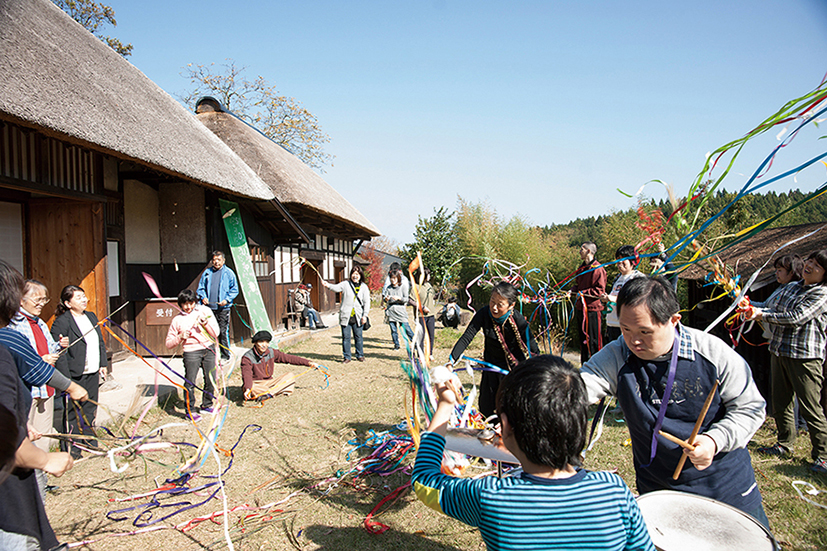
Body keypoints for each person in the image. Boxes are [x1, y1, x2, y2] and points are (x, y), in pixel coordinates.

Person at [411, 355, 655, 551]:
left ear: (504, 427)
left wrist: (445, 405)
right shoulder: (614, 491)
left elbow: (424, 480)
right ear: (579, 422)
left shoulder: (490, 497)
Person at [581, 276, 769, 526]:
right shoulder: (618, 355)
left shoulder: (713, 353)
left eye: (645, 332)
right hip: (658, 489)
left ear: (674, 321)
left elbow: (750, 408)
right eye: (625, 329)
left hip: (723, 488)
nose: (633, 341)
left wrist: (715, 440)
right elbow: (579, 386)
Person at [0, 260, 75, 550]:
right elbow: (6, 443)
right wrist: (46, 460)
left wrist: (18, 422)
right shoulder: (5, 347)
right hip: (8, 511)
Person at [747, 250, 827, 474]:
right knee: (781, 402)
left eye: (817, 266)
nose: (810, 266)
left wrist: (760, 315)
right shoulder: (791, 287)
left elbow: (795, 317)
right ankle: (784, 444)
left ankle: (822, 455)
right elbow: (769, 307)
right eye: (810, 261)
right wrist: (747, 305)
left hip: (804, 356)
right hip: (779, 351)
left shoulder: (822, 294)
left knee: (811, 407)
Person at [8, 280, 69, 495]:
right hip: (28, 390)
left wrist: (57, 347)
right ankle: (27, 486)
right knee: (25, 438)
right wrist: (39, 359)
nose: (42, 303)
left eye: (45, 299)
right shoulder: (12, 325)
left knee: (43, 438)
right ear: (20, 299)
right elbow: (15, 358)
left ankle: (41, 482)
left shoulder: (41, 323)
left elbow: (46, 346)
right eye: (38, 298)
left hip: (46, 389)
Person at [448, 282, 539, 418]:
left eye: (500, 304)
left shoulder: (517, 319)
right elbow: (467, 336)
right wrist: (451, 360)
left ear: (511, 305)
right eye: (492, 301)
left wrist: (537, 369)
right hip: (490, 365)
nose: (494, 308)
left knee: (509, 408)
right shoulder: (484, 314)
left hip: (512, 369)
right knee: (486, 405)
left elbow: (532, 346)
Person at [51, 285, 108, 457]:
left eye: (84, 296)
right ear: (68, 303)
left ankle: (90, 442)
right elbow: (58, 352)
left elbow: (99, 342)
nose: (83, 300)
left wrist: (102, 364)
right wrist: (65, 379)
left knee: (90, 407)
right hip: (74, 373)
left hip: (92, 370)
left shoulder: (90, 316)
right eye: (78, 297)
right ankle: (74, 449)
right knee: (73, 411)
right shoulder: (61, 322)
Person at [165, 289, 220, 422]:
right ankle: (190, 410)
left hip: (208, 348)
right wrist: (180, 337)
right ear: (180, 304)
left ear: (195, 302)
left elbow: (216, 333)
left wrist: (205, 324)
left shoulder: (204, 312)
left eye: (191, 303)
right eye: (185, 304)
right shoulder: (177, 320)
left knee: (210, 378)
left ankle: (207, 404)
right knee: (190, 381)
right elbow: (168, 344)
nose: (188, 307)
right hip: (191, 353)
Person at [240, 330, 319, 401]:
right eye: (261, 342)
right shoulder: (247, 357)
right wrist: (248, 389)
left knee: (290, 376)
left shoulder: (271, 352)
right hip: (256, 384)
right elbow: (246, 374)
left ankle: (268, 394)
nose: (264, 345)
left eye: (266, 342)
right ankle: (275, 391)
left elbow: (289, 358)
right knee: (252, 389)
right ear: (255, 343)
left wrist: (309, 363)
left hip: (270, 382)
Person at [322, 265, 370, 363]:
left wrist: (365, 315)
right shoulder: (345, 284)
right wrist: (328, 285)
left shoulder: (364, 287)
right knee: (346, 338)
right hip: (346, 316)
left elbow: (367, 302)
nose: (355, 276)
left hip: (358, 317)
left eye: (357, 274)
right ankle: (347, 357)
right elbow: (336, 288)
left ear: (360, 275)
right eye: (353, 273)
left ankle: (360, 355)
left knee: (358, 337)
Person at [196, 251, 239, 363]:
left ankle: (225, 356)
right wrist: (203, 297)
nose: (216, 262)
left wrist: (227, 300)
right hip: (209, 309)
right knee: (208, 332)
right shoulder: (207, 272)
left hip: (223, 308)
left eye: (219, 259)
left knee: (222, 332)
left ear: (223, 261)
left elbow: (235, 289)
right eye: (214, 259)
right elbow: (200, 288)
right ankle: (210, 357)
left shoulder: (229, 273)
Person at [570, 242, 607, 363]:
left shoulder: (598, 269)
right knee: (583, 340)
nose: (580, 251)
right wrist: (572, 291)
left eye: (582, 249)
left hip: (592, 310)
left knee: (593, 340)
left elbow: (599, 290)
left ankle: (597, 366)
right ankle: (585, 365)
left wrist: (582, 293)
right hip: (581, 308)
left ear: (589, 251)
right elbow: (578, 285)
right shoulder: (581, 268)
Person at [601, 245, 645, 342]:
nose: (620, 262)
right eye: (618, 259)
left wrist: (614, 299)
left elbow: (637, 300)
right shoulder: (617, 278)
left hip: (627, 325)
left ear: (632, 261)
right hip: (612, 323)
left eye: (623, 259)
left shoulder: (638, 278)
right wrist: (606, 299)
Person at [383, 270, 414, 350]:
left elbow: (406, 299)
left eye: (394, 278)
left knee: (406, 328)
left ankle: (415, 343)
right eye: (391, 278)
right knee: (393, 330)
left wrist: (399, 298)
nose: (393, 280)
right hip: (391, 311)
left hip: (400, 310)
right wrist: (386, 299)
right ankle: (396, 344)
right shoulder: (388, 288)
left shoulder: (403, 287)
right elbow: (385, 299)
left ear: (398, 278)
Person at [415, 268, 436, 360]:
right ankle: (420, 355)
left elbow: (433, 296)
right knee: (421, 336)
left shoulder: (429, 285)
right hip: (421, 316)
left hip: (431, 315)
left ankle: (429, 354)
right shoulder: (415, 286)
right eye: (428, 274)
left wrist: (441, 293)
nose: (429, 276)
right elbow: (410, 300)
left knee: (431, 335)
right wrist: (422, 308)